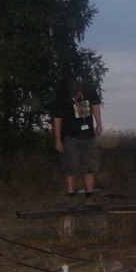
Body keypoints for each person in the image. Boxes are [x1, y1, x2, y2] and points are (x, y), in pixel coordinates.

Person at [53, 76, 102, 206]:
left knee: (90, 167)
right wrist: (58, 141)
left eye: (79, 93)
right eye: (75, 95)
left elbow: (96, 105)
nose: (78, 96)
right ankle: (71, 197)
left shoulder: (89, 91)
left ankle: (89, 197)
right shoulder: (62, 96)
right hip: (71, 138)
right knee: (71, 168)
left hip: (89, 137)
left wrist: (98, 123)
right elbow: (57, 120)